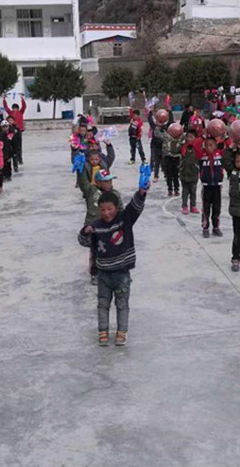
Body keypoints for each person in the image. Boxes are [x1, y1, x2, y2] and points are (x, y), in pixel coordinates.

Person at [81, 185, 148, 347]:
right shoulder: (97, 226)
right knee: (102, 304)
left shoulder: (124, 220)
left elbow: (135, 208)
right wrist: (86, 231)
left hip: (122, 274)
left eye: (110, 209)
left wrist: (141, 193)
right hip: (103, 275)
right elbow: (84, 242)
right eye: (103, 210)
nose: (106, 213)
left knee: (122, 304)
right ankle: (103, 331)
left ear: (116, 208)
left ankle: (122, 331)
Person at [77, 168, 124, 284]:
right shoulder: (91, 191)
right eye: (106, 181)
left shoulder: (115, 194)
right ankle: (95, 273)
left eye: (110, 181)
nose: (109, 184)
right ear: (98, 182)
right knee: (96, 251)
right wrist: (80, 170)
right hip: (95, 227)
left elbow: (121, 209)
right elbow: (83, 183)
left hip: (110, 227)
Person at [199, 136, 225, 238]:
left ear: (216, 146)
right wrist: (202, 136)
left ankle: (216, 227)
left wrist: (224, 136)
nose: (209, 147)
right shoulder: (201, 155)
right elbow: (196, 146)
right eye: (207, 145)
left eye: (211, 145)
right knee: (206, 209)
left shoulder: (220, 155)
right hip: (206, 186)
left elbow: (228, 147)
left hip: (217, 186)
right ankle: (205, 227)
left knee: (217, 208)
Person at [179, 129, 202, 215]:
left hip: (193, 173)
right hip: (184, 173)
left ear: (195, 138)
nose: (189, 139)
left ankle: (193, 206)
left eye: (191, 137)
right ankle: (184, 206)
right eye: (188, 137)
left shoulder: (197, 148)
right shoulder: (183, 147)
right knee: (185, 191)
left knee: (193, 191)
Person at [3, 94, 27, 166]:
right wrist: (4, 99)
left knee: (19, 145)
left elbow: (24, 106)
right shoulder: (10, 113)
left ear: (18, 109)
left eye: (16, 108)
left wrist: (22, 98)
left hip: (19, 130)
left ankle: (20, 159)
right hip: (11, 130)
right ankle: (13, 159)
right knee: (12, 146)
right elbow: (5, 107)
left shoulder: (20, 112)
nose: (15, 109)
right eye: (14, 108)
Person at [163, 127, 182, 197]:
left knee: (176, 175)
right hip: (168, 158)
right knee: (169, 175)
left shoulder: (180, 138)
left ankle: (176, 189)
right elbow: (157, 134)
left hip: (176, 158)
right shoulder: (166, 137)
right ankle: (170, 189)